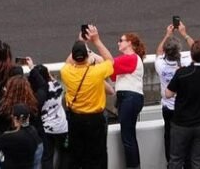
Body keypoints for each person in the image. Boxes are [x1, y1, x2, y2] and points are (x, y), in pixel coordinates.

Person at [61, 26, 113, 169]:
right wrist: (96, 40)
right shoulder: (97, 72)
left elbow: (68, 62)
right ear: (87, 56)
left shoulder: (66, 72)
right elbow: (110, 60)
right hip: (95, 120)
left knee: (77, 156)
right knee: (97, 156)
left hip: (75, 119)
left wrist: (79, 42)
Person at [166, 39, 200, 169]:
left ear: (191, 54)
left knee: (176, 159)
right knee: (197, 160)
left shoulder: (182, 73)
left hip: (182, 124)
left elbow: (168, 94)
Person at [112, 33, 146, 169]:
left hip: (129, 97)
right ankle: (134, 165)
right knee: (129, 135)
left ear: (129, 43)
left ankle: (133, 166)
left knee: (127, 137)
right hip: (129, 98)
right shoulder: (130, 59)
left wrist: (96, 44)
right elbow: (113, 74)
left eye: (121, 40)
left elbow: (110, 62)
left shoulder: (132, 58)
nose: (118, 43)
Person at [155, 26, 188, 163]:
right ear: (179, 51)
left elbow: (158, 52)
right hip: (183, 108)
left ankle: (171, 162)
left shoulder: (160, 65)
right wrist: (184, 34)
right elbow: (198, 50)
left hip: (168, 108)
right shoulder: (186, 63)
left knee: (169, 136)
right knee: (185, 137)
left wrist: (167, 34)